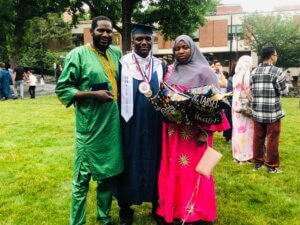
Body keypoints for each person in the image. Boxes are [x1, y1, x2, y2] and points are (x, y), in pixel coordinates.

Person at [55, 16, 123, 225]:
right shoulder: (78, 55)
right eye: (100, 31)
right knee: (81, 181)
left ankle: (104, 218)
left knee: (107, 176)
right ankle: (77, 222)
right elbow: (63, 88)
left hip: (112, 128)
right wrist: (93, 95)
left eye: (109, 31)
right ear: (91, 32)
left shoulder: (116, 53)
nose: (105, 35)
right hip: (89, 128)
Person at [156, 35, 229, 224]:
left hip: (197, 134)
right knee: (174, 170)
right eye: (177, 48)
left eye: (184, 47)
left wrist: (206, 132)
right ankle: (174, 210)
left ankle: (197, 212)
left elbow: (215, 105)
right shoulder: (171, 71)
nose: (180, 51)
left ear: (192, 49)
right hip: (173, 133)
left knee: (195, 172)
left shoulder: (205, 71)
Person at [115, 23, 165, 225]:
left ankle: (157, 206)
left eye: (147, 39)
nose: (144, 42)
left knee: (157, 161)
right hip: (129, 126)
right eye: (139, 39)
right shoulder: (122, 64)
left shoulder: (161, 66)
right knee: (128, 163)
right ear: (132, 41)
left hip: (155, 126)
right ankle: (125, 209)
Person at [250, 45, 288, 174]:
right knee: (272, 138)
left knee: (258, 137)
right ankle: (271, 166)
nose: (276, 57)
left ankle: (257, 163)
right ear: (272, 56)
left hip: (257, 110)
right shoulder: (277, 71)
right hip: (272, 111)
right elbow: (284, 90)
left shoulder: (253, 71)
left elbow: (252, 90)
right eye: (276, 55)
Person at [231, 56, 254, 164]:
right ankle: (245, 156)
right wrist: (253, 100)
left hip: (236, 105)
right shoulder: (247, 74)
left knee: (236, 130)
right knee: (246, 131)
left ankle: (237, 154)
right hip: (244, 106)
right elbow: (248, 90)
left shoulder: (236, 75)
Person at [222, 70, 233, 143]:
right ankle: (229, 137)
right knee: (230, 120)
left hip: (231, 102)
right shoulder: (231, 79)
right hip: (230, 102)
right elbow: (229, 91)